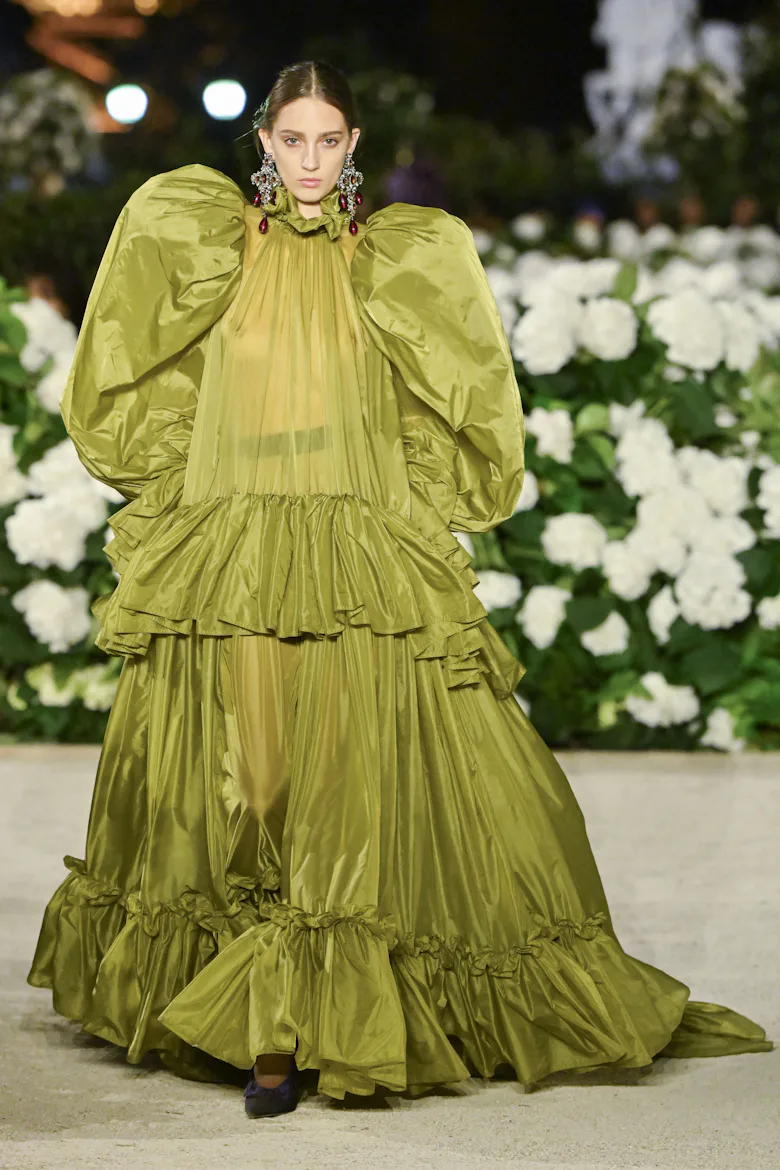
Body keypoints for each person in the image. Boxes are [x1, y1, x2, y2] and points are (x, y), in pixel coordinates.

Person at [27, 60, 773, 1119]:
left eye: (331, 141)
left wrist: (415, 502)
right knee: (250, 778)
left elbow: (448, 398)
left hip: (358, 546)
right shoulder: (208, 244)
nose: (313, 160)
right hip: (235, 541)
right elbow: (133, 372)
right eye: (295, 141)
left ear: (355, 145)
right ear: (267, 147)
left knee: (353, 784)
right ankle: (238, 995)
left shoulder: (399, 259)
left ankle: (293, 1030)